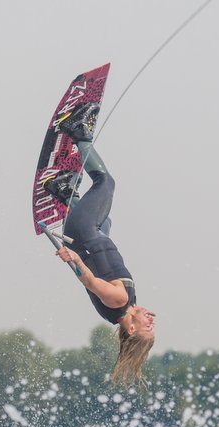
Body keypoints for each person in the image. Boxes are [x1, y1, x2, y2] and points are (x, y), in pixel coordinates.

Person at [42, 102, 156, 385]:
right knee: (107, 223)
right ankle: (64, 190)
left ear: (131, 328)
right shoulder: (120, 309)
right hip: (93, 233)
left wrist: (75, 259)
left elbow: (91, 282)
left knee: (106, 183)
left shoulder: (119, 302)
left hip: (83, 231)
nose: (151, 321)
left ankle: (78, 130)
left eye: (147, 327)